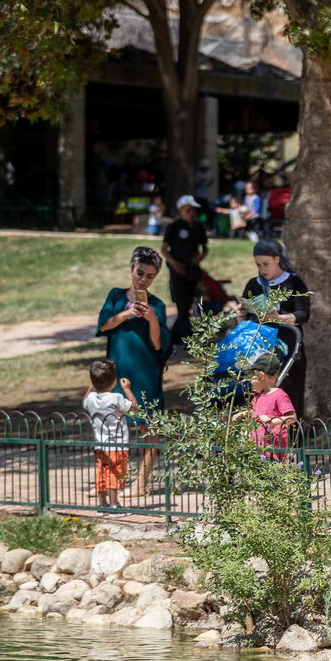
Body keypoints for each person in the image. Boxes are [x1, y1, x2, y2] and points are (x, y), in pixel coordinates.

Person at [96, 246, 170, 496]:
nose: (143, 279)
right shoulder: (116, 297)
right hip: (118, 369)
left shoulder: (157, 305)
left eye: (150, 276)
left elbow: (159, 345)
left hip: (146, 371)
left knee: (148, 427)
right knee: (114, 427)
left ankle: (142, 483)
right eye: (140, 273)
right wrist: (128, 312)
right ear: (131, 270)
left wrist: (151, 319)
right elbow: (104, 325)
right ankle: (113, 481)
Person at [240, 239, 311, 415]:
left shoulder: (294, 283)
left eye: (266, 264)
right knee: (258, 395)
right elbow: (247, 319)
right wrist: (241, 317)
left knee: (289, 394)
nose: (262, 269)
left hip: (288, 347)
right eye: (258, 264)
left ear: (277, 259)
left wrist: (278, 318)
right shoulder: (253, 284)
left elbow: (303, 315)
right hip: (260, 349)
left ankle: (291, 439)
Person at [83, 359, 138, 513]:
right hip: (117, 444)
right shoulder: (116, 398)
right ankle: (114, 505)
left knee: (101, 472)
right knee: (116, 473)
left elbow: (85, 401)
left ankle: (103, 505)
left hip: (100, 444)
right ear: (114, 382)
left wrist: (92, 385)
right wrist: (127, 389)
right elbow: (134, 407)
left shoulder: (91, 399)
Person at [161, 195, 208, 350]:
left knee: (187, 306)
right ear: (180, 210)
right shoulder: (173, 227)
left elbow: (204, 248)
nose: (191, 213)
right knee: (182, 305)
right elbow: (164, 249)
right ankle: (189, 341)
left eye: (193, 210)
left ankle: (172, 338)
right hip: (177, 271)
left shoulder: (198, 227)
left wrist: (199, 258)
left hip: (192, 270)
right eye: (188, 210)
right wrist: (175, 264)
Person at [232, 351, 296, 460]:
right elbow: (257, 413)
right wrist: (244, 413)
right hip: (256, 451)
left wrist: (272, 421)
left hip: (273, 453)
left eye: (251, 377)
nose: (249, 381)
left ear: (261, 376)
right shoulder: (258, 395)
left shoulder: (279, 395)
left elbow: (292, 418)